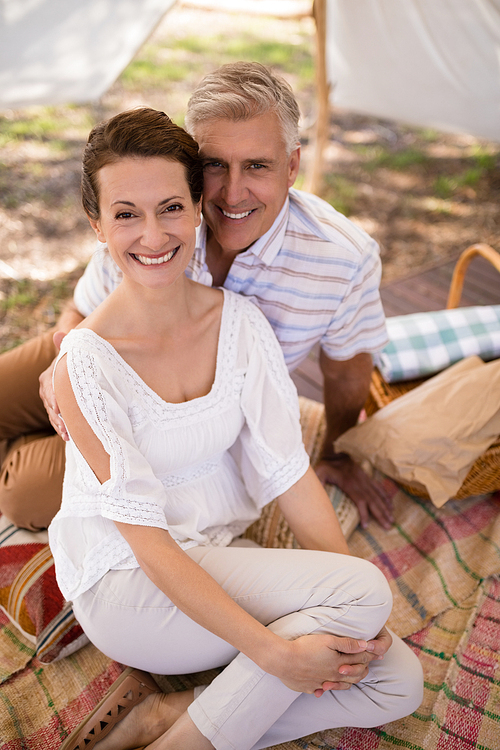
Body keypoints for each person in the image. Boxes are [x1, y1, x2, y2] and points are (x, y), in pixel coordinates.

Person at [49, 107, 422, 750]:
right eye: (126, 214)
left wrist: (351, 620)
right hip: (130, 585)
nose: (152, 234)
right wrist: (278, 654)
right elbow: (150, 545)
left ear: (199, 209)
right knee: (361, 596)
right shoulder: (84, 360)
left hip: (219, 556)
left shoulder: (241, 323)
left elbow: (287, 471)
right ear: (97, 225)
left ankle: (170, 718)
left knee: (396, 679)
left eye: (170, 207)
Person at [0, 61, 392, 534]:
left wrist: (335, 452)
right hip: (101, 349)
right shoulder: (163, 214)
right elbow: (83, 306)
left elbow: (349, 369)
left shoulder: (343, 260)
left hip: (177, 422)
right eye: (213, 166)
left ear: (291, 166)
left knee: (24, 490)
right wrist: (64, 360)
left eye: (257, 166)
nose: (231, 192)